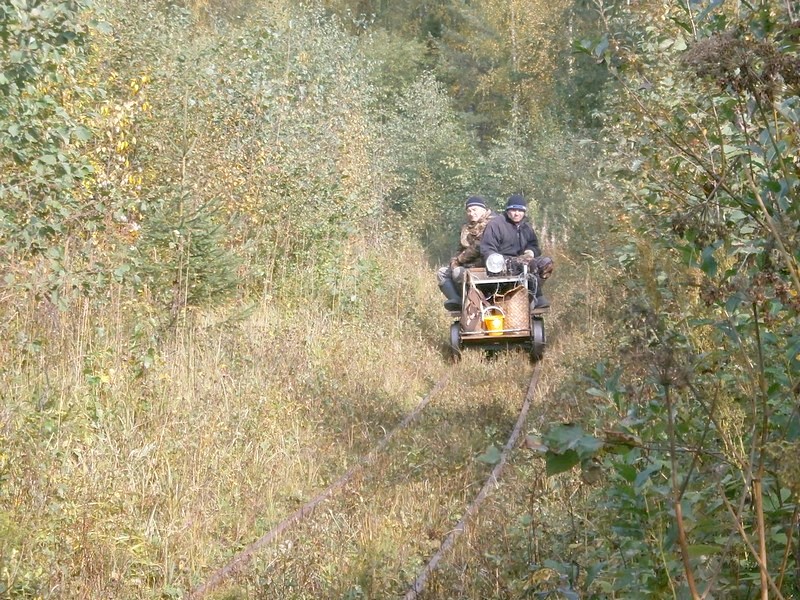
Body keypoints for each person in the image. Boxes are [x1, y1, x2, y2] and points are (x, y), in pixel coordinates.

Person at [480, 194, 553, 309]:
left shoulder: (526, 227)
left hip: (524, 260)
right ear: (507, 210)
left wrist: (531, 251)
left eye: (520, 210)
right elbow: (487, 249)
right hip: (503, 263)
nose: (517, 213)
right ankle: (528, 296)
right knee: (519, 264)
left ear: (524, 212)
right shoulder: (496, 224)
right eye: (513, 210)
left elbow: (534, 245)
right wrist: (498, 260)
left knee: (546, 263)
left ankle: (534, 293)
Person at [437, 195, 495, 310]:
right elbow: (460, 248)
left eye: (474, 210)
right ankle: (458, 301)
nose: (471, 213)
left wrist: (459, 260)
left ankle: (472, 301)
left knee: (457, 272)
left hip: (484, 265)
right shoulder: (466, 228)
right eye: (469, 211)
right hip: (467, 264)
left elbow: (478, 247)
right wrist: (454, 261)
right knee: (442, 273)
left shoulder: (491, 224)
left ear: (483, 210)